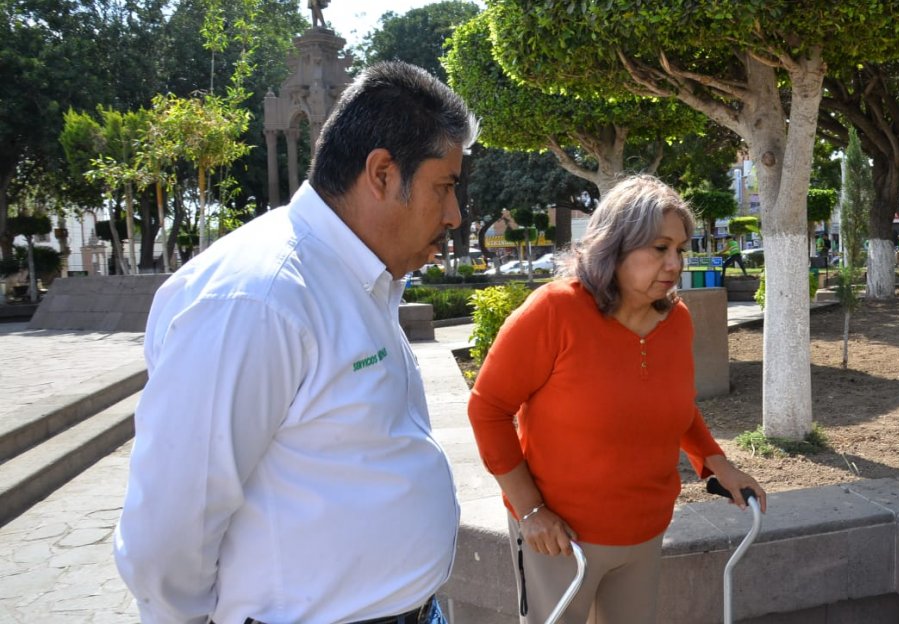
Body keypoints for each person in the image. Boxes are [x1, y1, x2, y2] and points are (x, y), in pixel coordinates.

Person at [114, 60, 478, 624]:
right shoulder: (258, 300)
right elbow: (169, 529)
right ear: (381, 174)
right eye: (445, 187)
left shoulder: (356, 276)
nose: (454, 215)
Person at [466, 175, 766, 624]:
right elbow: (487, 409)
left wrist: (715, 462)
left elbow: (674, 407)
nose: (674, 264)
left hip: (644, 532)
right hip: (560, 540)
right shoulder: (553, 311)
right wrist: (529, 509)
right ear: (614, 246)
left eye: (680, 249)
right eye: (659, 247)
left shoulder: (677, 320)